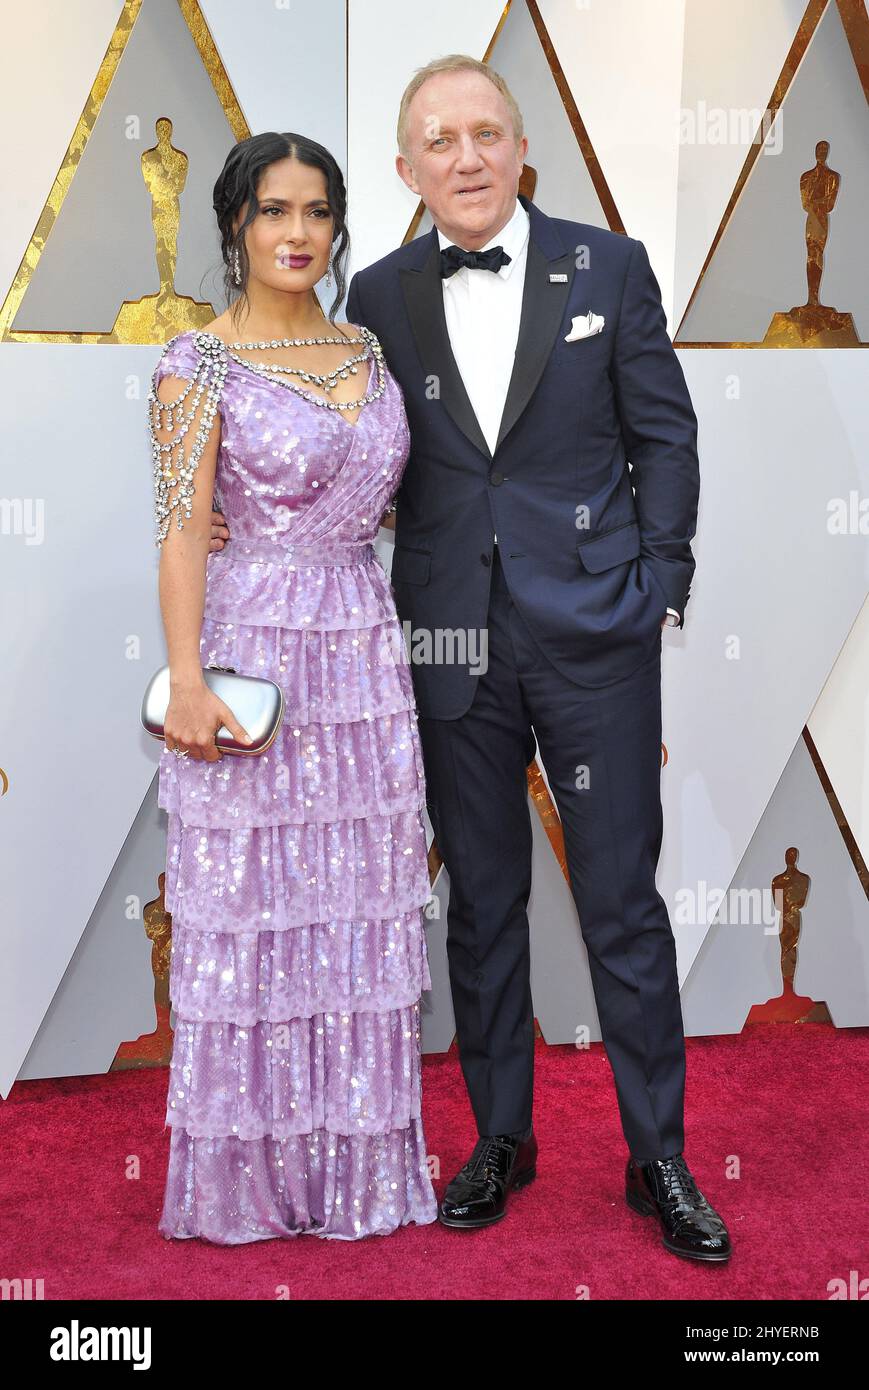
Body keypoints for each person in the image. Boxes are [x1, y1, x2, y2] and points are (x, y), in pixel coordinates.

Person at [210, 56, 732, 1263]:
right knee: (482, 903)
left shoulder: (608, 266)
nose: (465, 157)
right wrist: (236, 508)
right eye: (437, 141)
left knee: (620, 904)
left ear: (519, 148)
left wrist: (658, 586)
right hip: (444, 645)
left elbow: (664, 433)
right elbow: (347, 446)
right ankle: (502, 1133)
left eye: (485, 133)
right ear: (406, 170)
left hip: (594, 637)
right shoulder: (380, 300)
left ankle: (659, 1156)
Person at [148, 130, 438, 1243]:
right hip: (249, 653)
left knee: (357, 904)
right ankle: (248, 1183)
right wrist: (185, 679)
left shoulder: (367, 348)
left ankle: (351, 1169)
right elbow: (180, 531)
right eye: (273, 210)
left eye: (317, 211)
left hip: (359, 654)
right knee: (248, 911)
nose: (297, 233)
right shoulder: (195, 362)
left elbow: (387, 498)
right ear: (234, 223)